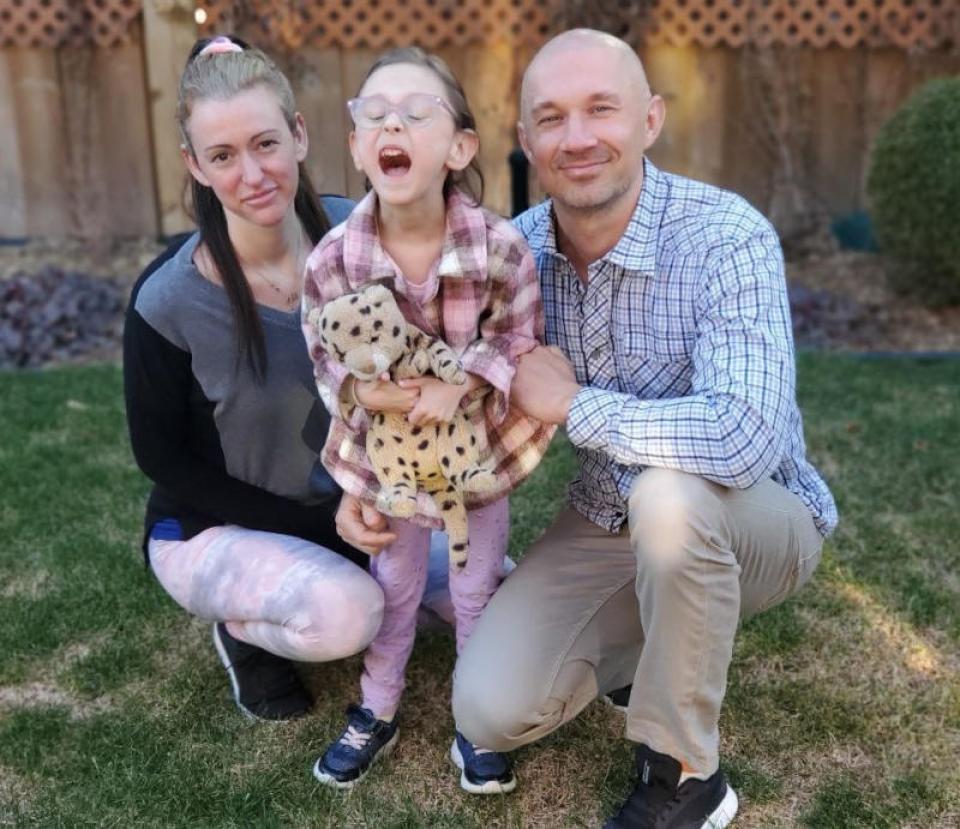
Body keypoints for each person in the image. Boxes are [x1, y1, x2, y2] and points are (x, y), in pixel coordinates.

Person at [338, 29, 838, 828]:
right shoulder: (514, 253)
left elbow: (746, 437)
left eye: (600, 109)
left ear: (649, 119)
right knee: (490, 708)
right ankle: (654, 637)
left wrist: (575, 406)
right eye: (552, 117)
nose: (577, 138)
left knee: (671, 502)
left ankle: (685, 775)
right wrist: (370, 486)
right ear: (525, 140)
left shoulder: (726, 236)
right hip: (607, 513)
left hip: (756, 515)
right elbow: (434, 383)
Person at [123, 35, 448, 725]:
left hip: (363, 506)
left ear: (299, 135)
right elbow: (162, 459)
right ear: (196, 166)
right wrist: (319, 525)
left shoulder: (359, 235)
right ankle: (243, 631)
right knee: (348, 614)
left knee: (485, 586)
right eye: (223, 155)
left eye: (265, 142)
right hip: (215, 525)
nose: (252, 173)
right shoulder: (167, 300)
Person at [301, 47, 554, 795]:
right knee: (397, 581)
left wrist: (466, 379)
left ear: (460, 147)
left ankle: (475, 716)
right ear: (356, 147)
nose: (393, 125)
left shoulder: (501, 249)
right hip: (392, 461)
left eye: (417, 113)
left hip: (475, 457)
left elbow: (518, 340)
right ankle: (378, 705)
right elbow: (324, 356)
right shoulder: (332, 262)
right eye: (374, 114)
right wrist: (357, 392)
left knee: (475, 586)